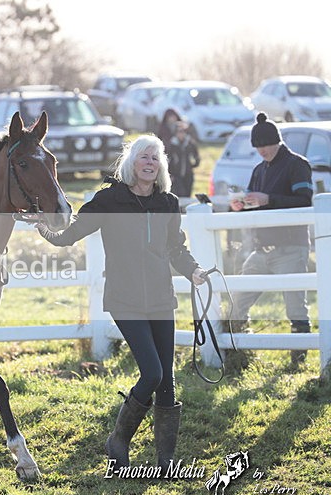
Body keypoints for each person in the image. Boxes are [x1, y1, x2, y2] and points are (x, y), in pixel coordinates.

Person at [36, 135, 206, 472]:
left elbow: (176, 249)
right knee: (153, 373)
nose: (149, 163)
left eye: (155, 158)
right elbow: (71, 234)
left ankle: (165, 460)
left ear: (161, 167)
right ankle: (118, 440)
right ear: (131, 163)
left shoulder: (168, 203)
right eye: (143, 157)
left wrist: (194, 271)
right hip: (124, 299)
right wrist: (46, 229)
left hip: (160, 299)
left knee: (167, 380)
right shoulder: (110, 200)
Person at [229, 112, 313, 365]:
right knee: (238, 299)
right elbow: (255, 200)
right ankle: (237, 347)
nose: (262, 150)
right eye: (257, 146)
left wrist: (269, 200)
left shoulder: (298, 164)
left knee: (295, 307)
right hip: (261, 249)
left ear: (277, 141)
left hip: (291, 247)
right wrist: (242, 204)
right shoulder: (258, 170)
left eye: (265, 145)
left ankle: (299, 359)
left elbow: (305, 201)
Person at [168, 121, 200, 198]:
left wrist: (193, 165)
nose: (181, 134)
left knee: (187, 194)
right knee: (178, 194)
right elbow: (168, 159)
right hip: (176, 175)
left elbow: (196, 156)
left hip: (188, 174)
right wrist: (170, 173)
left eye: (183, 132)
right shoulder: (172, 144)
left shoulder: (190, 143)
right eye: (179, 132)